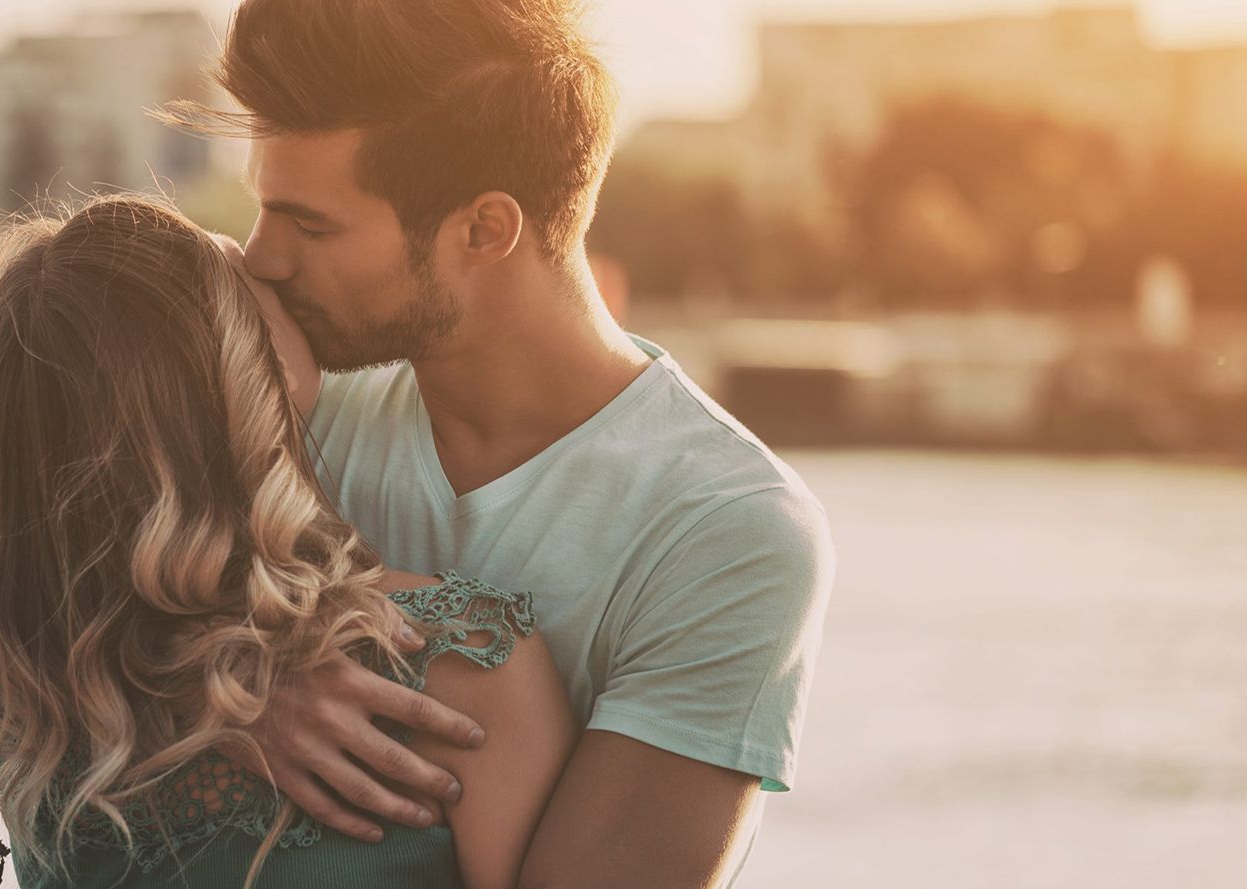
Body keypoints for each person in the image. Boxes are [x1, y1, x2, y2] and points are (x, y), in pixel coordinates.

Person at [156, 1, 838, 886]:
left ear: (484, 229)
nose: (260, 259)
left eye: (310, 225)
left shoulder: (726, 529)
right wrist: (226, 686)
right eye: (263, 210)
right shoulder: (281, 393)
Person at [0, 192, 577, 888]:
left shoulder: (16, 658)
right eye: (247, 288)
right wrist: (224, 678)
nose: (269, 263)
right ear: (247, 371)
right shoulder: (467, 659)